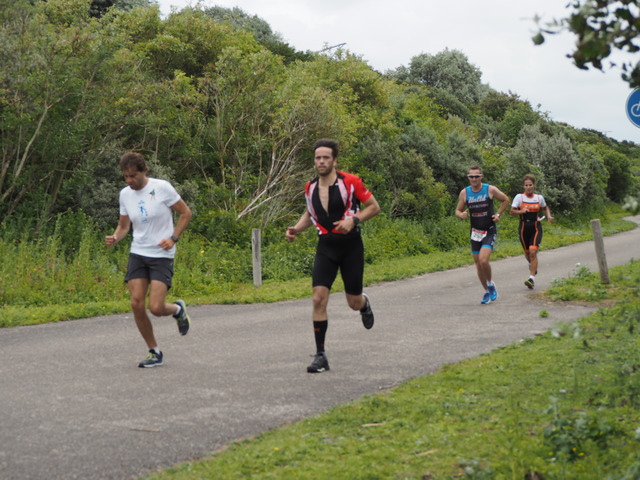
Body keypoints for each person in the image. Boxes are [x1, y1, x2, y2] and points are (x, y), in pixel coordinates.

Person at [286, 139, 381, 373]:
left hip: (350, 247)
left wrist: (354, 219)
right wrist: (297, 229)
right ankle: (321, 355)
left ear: (334, 160)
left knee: (353, 302)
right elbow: (310, 213)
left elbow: (373, 207)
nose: (321, 161)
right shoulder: (310, 187)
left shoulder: (351, 182)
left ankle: (364, 304)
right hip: (325, 246)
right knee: (318, 298)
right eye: (318, 158)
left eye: (326, 157)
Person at [105, 152, 193, 368]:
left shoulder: (162, 188)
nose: (129, 181)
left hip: (161, 254)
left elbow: (185, 213)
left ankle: (178, 310)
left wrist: (173, 238)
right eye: (125, 176)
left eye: (133, 176)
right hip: (138, 252)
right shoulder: (125, 194)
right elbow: (124, 226)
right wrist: (116, 236)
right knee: (136, 303)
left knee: (155, 307)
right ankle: (154, 351)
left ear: (144, 171)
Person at [455, 165, 510, 304]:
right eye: (471, 177)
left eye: (476, 176)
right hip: (475, 232)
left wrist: (498, 214)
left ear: (481, 177)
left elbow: (505, 200)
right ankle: (486, 291)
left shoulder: (489, 189)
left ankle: (491, 284)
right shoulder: (465, 193)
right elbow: (458, 210)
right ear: (468, 178)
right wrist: (461, 215)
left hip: (489, 230)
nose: (474, 179)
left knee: (483, 260)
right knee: (478, 264)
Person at [509, 174, 554, 289]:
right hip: (524, 227)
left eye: (530, 185)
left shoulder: (539, 198)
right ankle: (533, 268)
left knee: (533, 252)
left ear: (534, 185)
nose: (528, 187)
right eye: (526, 185)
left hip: (535, 226)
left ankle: (531, 278)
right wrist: (521, 211)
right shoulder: (519, 197)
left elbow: (545, 207)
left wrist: (548, 216)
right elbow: (512, 212)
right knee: (528, 253)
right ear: (523, 186)